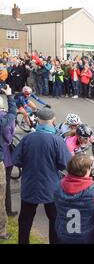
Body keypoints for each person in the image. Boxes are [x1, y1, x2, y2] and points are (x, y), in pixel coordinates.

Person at [12, 108, 72, 244]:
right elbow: (65, 164)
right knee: (54, 220)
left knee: (25, 221)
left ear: (38, 120)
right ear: (53, 121)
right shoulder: (57, 140)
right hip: (50, 187)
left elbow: (16, 160)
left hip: (29, 186)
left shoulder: (27, 138)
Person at [54, 155, 94, 244]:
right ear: (88, 170)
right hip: (89, 238)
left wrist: (84, 160)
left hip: (64, 235)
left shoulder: (58, 186)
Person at [0, 85, 17, 240]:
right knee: (3, 189)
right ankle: (7, 212)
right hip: (4, 157)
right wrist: (10, 96)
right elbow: (9, 134)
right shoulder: (4, 117)